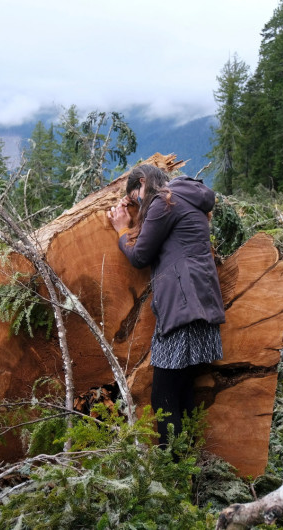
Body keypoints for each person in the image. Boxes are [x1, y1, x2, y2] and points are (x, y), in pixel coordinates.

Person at [106, 164, 225, 449]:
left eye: (136, 197)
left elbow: (139, 255)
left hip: (181, 307)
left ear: (144, 181)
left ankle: (172, 472)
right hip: (202, 303)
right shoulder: (187, 198)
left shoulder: (163, 201)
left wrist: (122, 227)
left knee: (163, 398)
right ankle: (186, 469)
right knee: (182, 391)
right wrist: (135, 212)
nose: (136, 203)